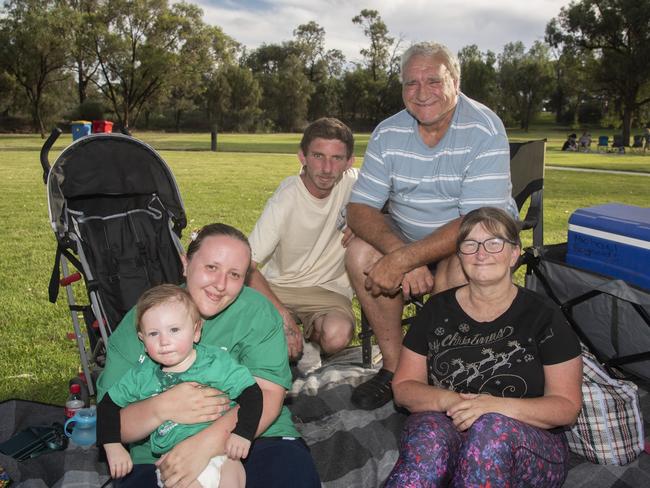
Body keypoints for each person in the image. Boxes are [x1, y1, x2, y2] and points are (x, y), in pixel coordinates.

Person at [345, 41, 517, 410]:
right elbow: (358, 209)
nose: (422, 93)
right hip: (409, 238)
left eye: (434, 81)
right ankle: (393, 370)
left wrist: (406, 259)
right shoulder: (388, 133)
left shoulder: (483, 129)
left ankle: (442, 374)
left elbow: (477, 222)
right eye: (411, 83)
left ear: (455, 81)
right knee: (360, 253)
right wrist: (401, 256)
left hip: (477, 236)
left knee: (457, 271)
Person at [95, 223, 321, 488]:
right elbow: (111, 419)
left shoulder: (256, 312)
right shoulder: (146, 322)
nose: (220, 285)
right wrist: (162, 407)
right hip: (159, 455)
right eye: (211, 267)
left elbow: (268, 394)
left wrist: (203, 446)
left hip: (256, 436)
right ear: (185, 263)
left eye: (234, 275)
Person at [385, 207, 583, 487]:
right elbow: (404, 386)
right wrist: (452, 401)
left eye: (495, 243)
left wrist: (492, 407)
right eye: (470, 244)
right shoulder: (437, 310)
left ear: (514, 253)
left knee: (490, 431)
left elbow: (566, 407)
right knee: (428, 439)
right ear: (460, 256)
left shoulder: (543, 316)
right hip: (448, 421)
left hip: (527, 439)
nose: (481, 253)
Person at [98, 284, 263, 488]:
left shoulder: (215, 362)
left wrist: (243, 433)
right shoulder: (142, 375)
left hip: (222, 452)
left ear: (195, 331)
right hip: (177, 462)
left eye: (174, 330)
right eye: (153, 334)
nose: (164, 341)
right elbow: (108, 405)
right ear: (142, 339)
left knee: (232, 476)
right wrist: (112, 445)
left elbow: (252, 393)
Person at [248, 117, 357, 361]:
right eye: (318, 156)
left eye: (336, 158)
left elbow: (399, 198)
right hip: (280, 286)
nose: (327, 169)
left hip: (328, 290)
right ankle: (293, 340)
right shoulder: (286, 197)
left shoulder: (356, 185)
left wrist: (364, 219)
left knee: (337, 335)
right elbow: (247, 266)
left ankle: (310, 346)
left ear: (349, 162)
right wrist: (284, 318)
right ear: (302, 157)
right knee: (262, 338)